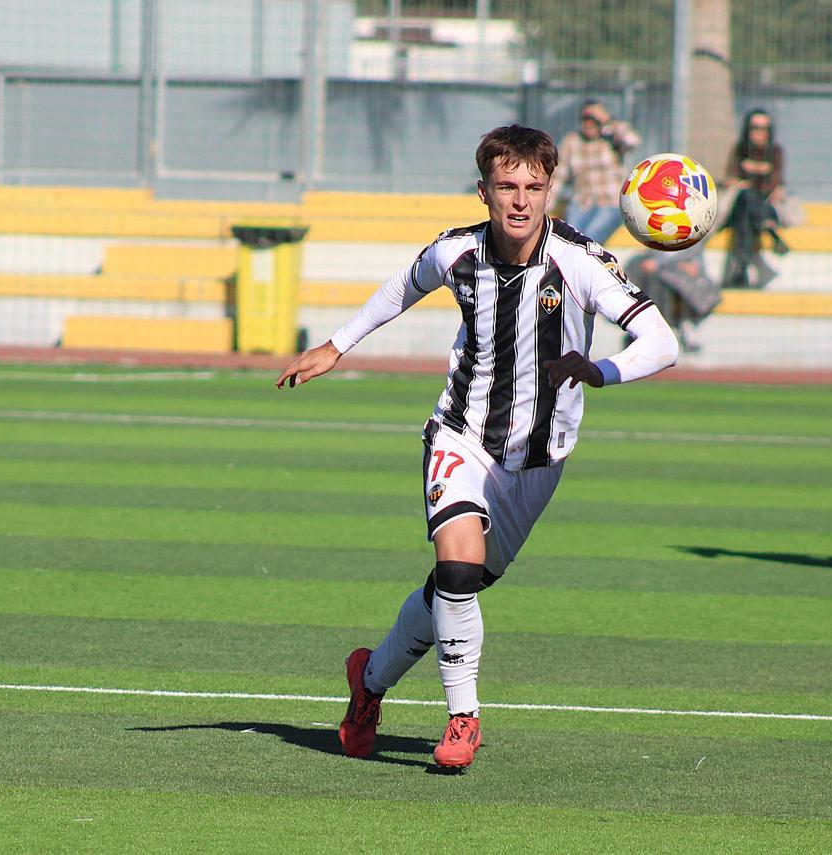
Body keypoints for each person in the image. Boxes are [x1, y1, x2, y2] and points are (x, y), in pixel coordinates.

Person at [275, 125, 678, 770]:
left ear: (551, 191)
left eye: (534, 187)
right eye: (506, 186)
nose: (520, 200)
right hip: (461, 434)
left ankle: (369, 682)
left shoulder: (583, 261)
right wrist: (335, 345)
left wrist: (600, 369)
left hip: (540, 459)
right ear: (484, 190)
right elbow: (399, 288)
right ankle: (463, 719)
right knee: (458, 568)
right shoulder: (456, 253)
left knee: (454, 591)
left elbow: (663, 343)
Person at [550, 99, 640, 246]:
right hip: (582, 202)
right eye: (586, 119)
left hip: (610, 203)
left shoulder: (611, 139)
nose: (589, 124)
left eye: (594, 120)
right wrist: (545, 204)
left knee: (590, 237)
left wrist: (608, 121)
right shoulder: (572, 141)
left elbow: (632, 141)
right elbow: (559, 176)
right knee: (569, 239)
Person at [721, 109, 790, 289]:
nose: (760, 132)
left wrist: (750, 175)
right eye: (755, 127)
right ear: (747, 129)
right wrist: (758, 174)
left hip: (765, 205)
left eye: (764, 128)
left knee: (746, 210)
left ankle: (741, 269)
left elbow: (775, 182)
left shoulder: (775, 151)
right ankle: (769, 228)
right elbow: (732, 177)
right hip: (741, 206)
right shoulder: (739, 149)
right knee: (745, 199)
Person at [624, 244, 720, 354]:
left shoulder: (690, 235)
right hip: (662, 278)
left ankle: (664, 330)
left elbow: (693, 264)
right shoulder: (656, 236)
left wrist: (659, 264)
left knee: (662, 280)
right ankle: (653, 330)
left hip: (688, 285)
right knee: (647, 272)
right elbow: (650, 260)